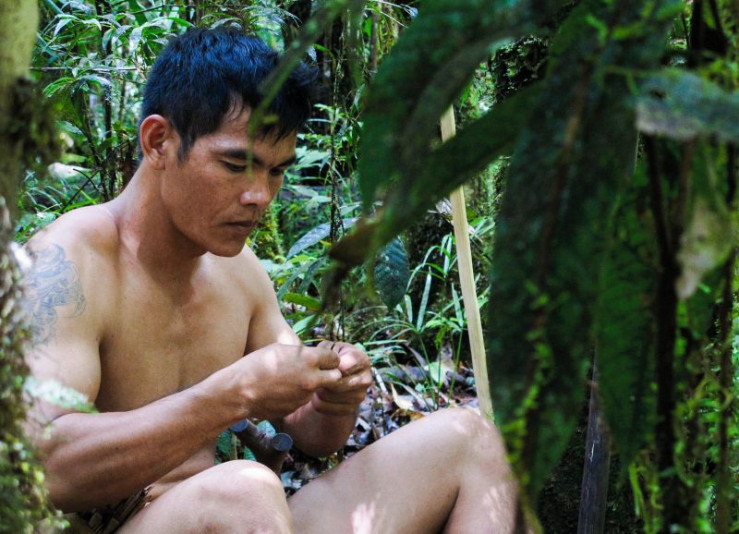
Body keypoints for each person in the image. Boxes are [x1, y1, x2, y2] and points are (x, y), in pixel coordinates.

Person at [23, 27, 521, 534]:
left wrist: (333, 398)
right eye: (236, 164)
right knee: (242, 490)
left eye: (276, 171)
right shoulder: (66, 263)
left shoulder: (238, 271)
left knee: (471, 438)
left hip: (243, 519)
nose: (260, 196)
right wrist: (232, 394)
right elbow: (39, 468)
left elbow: (312, 434)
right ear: (158, 142)